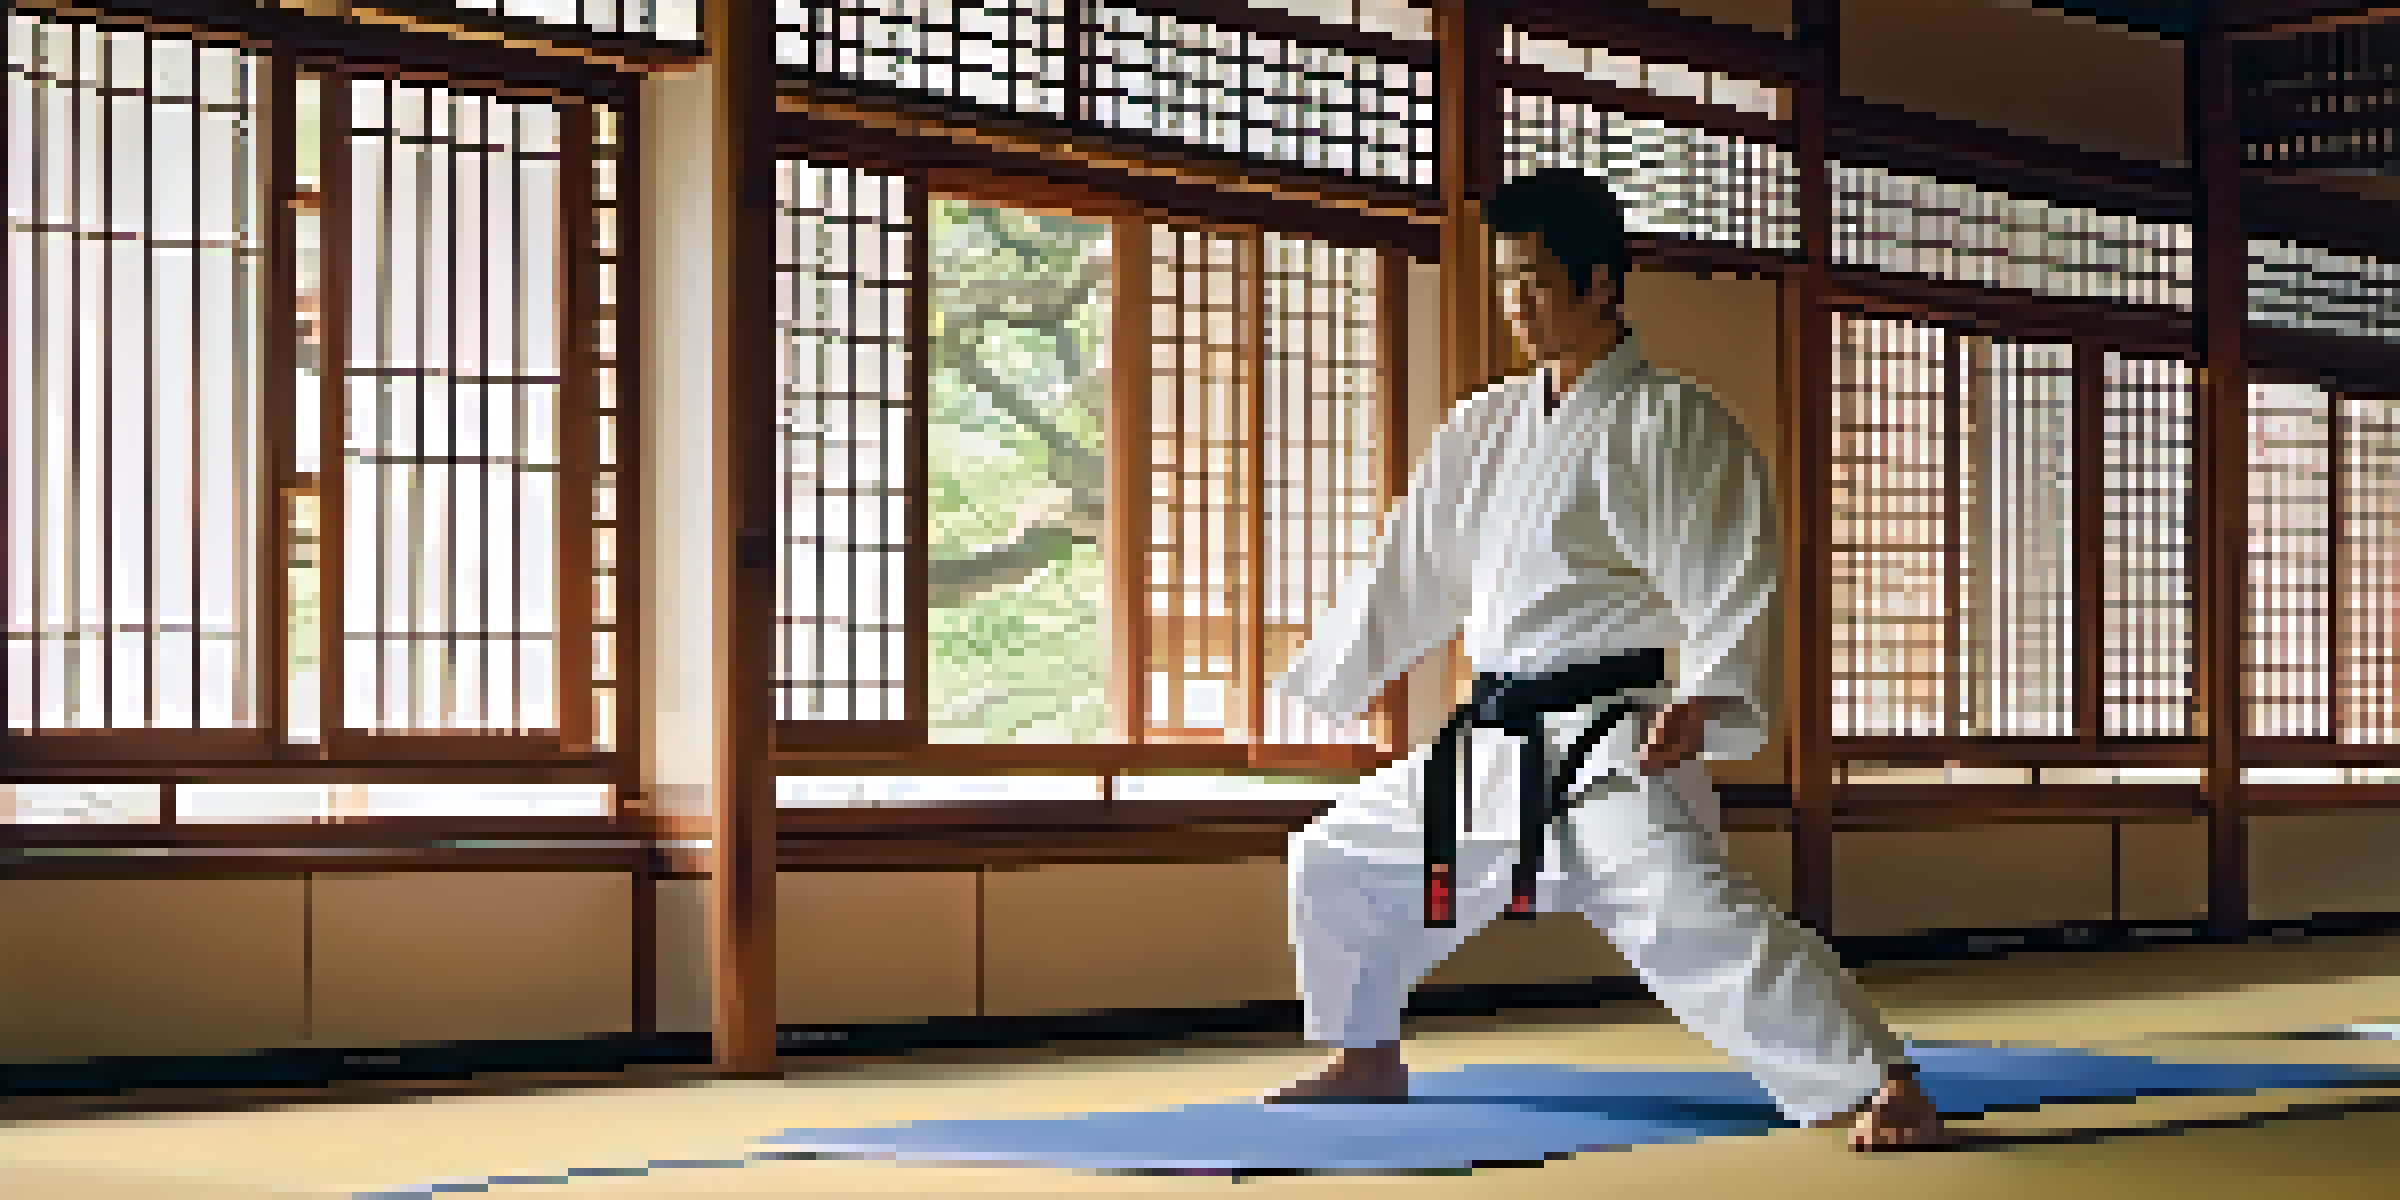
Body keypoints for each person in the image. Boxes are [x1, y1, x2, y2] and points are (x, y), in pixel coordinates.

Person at [1261, 168, 1953, 1151]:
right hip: (1495, 740)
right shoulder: (1484, 427)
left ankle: (1883, 1081)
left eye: (1538, 280)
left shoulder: (1674, 421)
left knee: (1694, 915)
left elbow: (1732, 566)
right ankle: (1364, 1052)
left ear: (1601, 282)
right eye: (1508, 280)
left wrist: (1709, 693)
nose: (1518, 303)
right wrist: (1329, 675)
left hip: (1606, 741)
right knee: (1334, 856)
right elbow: (1409, 569)